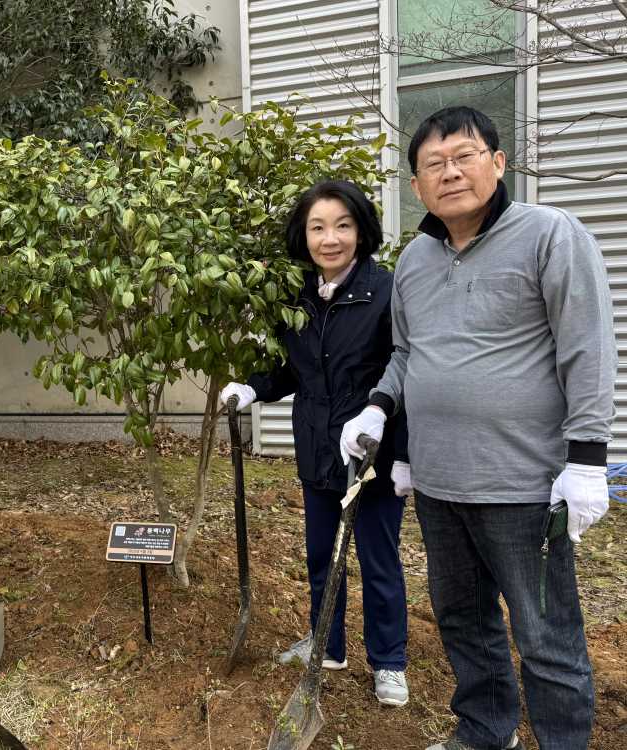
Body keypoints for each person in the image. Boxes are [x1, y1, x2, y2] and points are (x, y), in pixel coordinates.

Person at [340, 107, 614, 750]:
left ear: (497, 161)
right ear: (416, 185)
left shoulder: (550, 234)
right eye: (433, 163)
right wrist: (379, 407)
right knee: (463, 622)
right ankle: (487, 733)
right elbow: (409, 354)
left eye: (463, 155)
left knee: (546, 639)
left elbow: (588, 347)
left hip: (523, 484)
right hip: (438, 483)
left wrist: (587, 458)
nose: (450, 171)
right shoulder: (415, 261)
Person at [221, 180, 412, 707]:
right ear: (303, 235)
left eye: (343, 225)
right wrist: (252, 387)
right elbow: (294, 371)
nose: (331, 238)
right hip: (317, 449)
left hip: (372, 454)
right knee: (320, 557)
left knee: (378, 560)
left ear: (362, 230)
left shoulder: (386, 291)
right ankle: (327, 645)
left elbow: (409, 369)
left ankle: (389, 661)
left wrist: (404, 454)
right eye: (318, 227)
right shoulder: (297, 295)